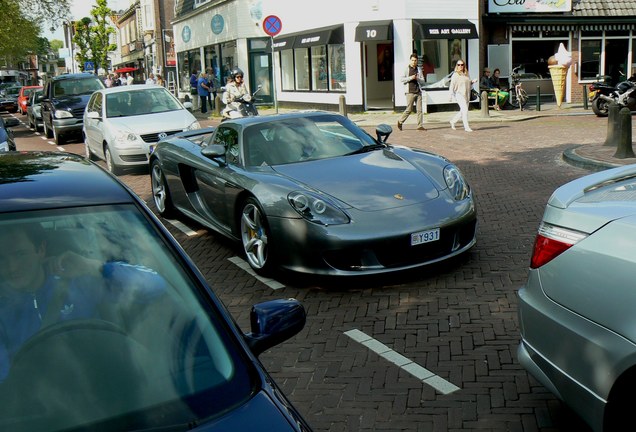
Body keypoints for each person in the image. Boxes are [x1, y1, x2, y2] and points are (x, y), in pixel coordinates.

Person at [0, 224, 166, 381]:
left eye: (20, 254)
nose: (11, 267)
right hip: (41, 399)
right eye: (1, 258)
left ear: (41, 250)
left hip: (99, 385)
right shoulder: (3, 307)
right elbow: (5, 381)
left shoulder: (78, 283)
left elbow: (155, 285)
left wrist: (94, 267)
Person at [397, 53, 426, 131]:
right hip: (409, 92)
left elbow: (423, 81)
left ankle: (420, 126)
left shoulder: (419, 69)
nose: (414, 62)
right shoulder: (406, 69)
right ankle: (400, 121)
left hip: (418, 91)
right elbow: (402, 79)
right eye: (412, 60)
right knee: (409, 109)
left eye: (415, 60)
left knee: (419, 110)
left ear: (417, 61)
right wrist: (411, 78)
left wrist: (417, 79)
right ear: (410, 60)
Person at [449, 59, 476, 132]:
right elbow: (452, 85)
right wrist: (450, 95)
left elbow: (468, 84)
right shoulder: (455, 75)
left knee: (463, 111)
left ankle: (452, 121)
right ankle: (466, 127)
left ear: (464, 65)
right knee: (465, 110)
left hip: (467, 94)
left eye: (462, 65)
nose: (460, 66)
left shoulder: (466, 74)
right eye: (458, 65)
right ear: (456, 66)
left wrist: (472, 82)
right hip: (459, 94)